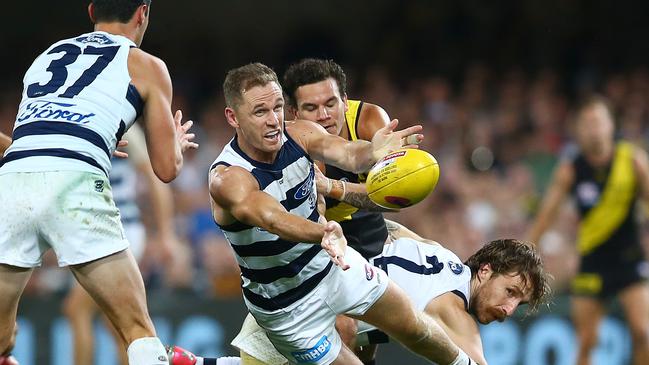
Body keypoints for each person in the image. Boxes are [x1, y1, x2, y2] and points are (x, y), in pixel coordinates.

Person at [207, 62, 475, 365]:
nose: (274, 121)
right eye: (260, 112)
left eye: (278, 107)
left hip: (334, 267)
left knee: (414, 327)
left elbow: (347, 153)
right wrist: (322, 233)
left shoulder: (300, 134)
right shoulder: (228, 178)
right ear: (233, 117)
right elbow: (272, 219)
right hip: (289, 310)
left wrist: (373, 152)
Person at [0, 1, 198, 363]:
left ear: (91, 11)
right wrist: (176, 142)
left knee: (1, 343)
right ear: (142, 13)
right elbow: (166, 170)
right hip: (76, 184)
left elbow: (35, 134)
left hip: (12, 182)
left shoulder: (47, 55)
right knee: (136, 330)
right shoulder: (148, 66)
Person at [176, 238, 551, 365]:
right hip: (311, 312)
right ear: (484, 271)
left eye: (520, 303)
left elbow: (391, 232)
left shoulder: (441, 254)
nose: (509, 310)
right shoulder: (453, 308)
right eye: (511, 292)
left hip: (299, 291)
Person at [527, 95, 649, 365]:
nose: (594, 128)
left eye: (598, 121)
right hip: (592, 261)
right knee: (586, 342)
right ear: (579, 130)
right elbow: (548, 213)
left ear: (610, 124)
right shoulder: (571, 169)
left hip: (631, 260)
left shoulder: (633, 160)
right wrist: (528, 249)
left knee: (643, 333)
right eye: (588, 123)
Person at [63, 123, 181, 365]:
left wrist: (166, 234)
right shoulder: (107, 119)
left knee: (77, 310)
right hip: (107, 228)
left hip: (116, 228)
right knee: (117, 323)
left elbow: (154, 179)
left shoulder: (121, 125)